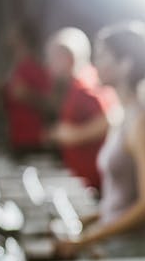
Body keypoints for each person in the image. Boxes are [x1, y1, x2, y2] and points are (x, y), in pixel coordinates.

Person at [54, 22, 145, 259]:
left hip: (137, 252)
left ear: (126, 65)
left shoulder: (141, 122)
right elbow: (119, 200)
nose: (95, 64)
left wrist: (88, 239)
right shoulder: (121, 115)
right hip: (119, 246)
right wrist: (86, 221)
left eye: (103, 56)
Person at [44, 27, 108, 190]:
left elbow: (110, 120)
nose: (48, 65)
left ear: (67, 58)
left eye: (52, 58)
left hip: (93, 182)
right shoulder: (81, 82)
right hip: (86, 179)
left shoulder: (86, 86)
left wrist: (74, 135)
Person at [0, 21, 51, 151]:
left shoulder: (33, 67)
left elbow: (50, 104)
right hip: (17, 136)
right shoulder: (16, 68)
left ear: (22, 39)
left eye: (13, 33)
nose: (8, 35)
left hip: (32, 139)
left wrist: (25, 94)